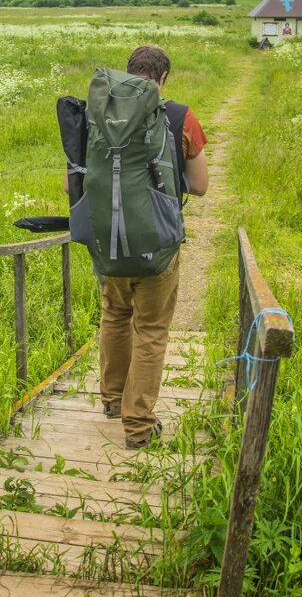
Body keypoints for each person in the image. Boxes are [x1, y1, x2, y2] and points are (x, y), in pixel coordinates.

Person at [96, 45, 207, 449]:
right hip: (158, 246)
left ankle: (111, 400)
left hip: (109, 241)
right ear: (163, 79)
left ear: (128, 74)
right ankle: (139, 425)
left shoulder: (102, 115)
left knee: (114, 315)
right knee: (151, 330)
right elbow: (199, 185)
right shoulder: (179, 117)